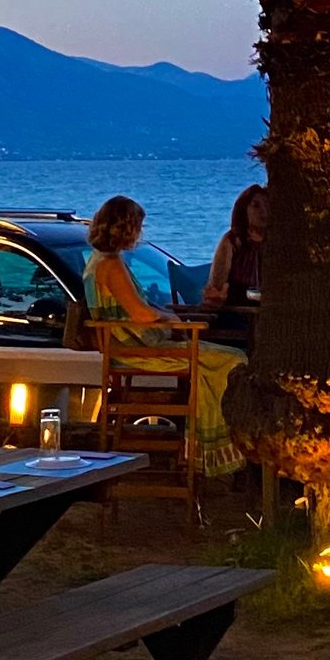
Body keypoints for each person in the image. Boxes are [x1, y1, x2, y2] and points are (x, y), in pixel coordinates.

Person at [84, 195, 242, 477]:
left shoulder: (98, 261)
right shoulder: (110, 265)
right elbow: (140, 314)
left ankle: (208, 448)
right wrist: (170, 318)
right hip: (138, 349)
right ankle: (216, 449)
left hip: (132, 344)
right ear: (127, 228)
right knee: (233, 360)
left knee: (220, 357)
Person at [201, 183, 266, 350]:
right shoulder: (232, 241)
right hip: (236, 316)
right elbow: (216, 287)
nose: (263, 211)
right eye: (256, 205)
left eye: (268, 205)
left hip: (269, 316)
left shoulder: (277, 244)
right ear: (244, 209)